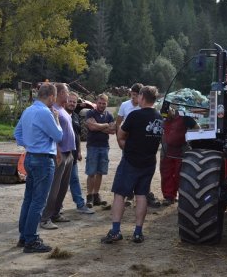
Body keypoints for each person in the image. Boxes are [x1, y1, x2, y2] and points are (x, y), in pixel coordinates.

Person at [101, 86, 163, 244]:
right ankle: (138, 232)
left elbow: (121, 134)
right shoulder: (159, 117)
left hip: (131, 161)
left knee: (120, 194)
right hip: (149, 162)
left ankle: (115, 231)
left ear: (142, 97)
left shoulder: (135, 115)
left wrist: (124, 146)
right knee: (142, 195)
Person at [14, 83, 63, 253]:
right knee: (38, 201)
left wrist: (29, 144)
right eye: (54, 97)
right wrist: (56, 119)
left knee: (29, 199)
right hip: (43, 159)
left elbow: (17, 134)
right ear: (51, 96)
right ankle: (32, 240)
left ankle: (24, 236)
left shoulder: (28, 110)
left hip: (30, 157)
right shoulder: (45, 112)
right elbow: (58, 136)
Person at [40, 83, 76, 230]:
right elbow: (52, 133)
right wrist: (58, 151)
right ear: (60, 93)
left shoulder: (62, 109)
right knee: (54, 187)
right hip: (60, 153)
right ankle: (45, 218)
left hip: (69, 153)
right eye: (67, 93)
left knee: (63, 187)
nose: (68, 96)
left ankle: (56, 213)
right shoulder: (53, 109)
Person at [159, 106, 199, 206]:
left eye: (168, 115)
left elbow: (197, 128)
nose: (166, 118)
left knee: (181, 174)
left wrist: (190, 140)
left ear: (172, 110)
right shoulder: (162, 118)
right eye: (164, 116)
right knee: (166, 174)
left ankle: (183, 196)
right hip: (167, 149)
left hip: (182, 149)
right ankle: (169, 197)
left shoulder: (185, 117)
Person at [64, 92, 94, 214]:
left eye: (74, 102)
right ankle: (55, 208)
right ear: (65, 101)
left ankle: (80, 205)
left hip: (73, 155)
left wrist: (80, 151)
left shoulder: (76, 116)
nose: (72, 103)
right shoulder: (60, 115)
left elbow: (77, 136)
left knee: (74, 180)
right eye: (70, 101)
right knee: (60, 183)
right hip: (63, 155)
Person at [85, 93, 116, 208]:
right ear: (96, 102)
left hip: (104, 146)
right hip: (92, 146)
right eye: (100, 103)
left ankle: (96, 195)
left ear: (107, 104)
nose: (102, 105)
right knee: (91, 172)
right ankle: (89, 197)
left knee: (100, 172)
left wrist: (98, 126)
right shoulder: (90, 113)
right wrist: (105, 125)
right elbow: (91, 127)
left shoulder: (109, 114)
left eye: (104, 103)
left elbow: (113, 130)